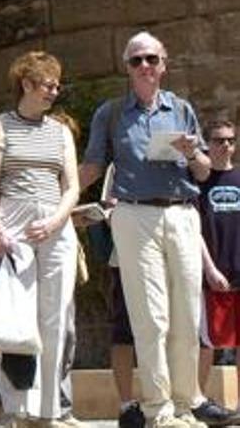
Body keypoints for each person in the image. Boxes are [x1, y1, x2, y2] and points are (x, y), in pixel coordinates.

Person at [79, 32, 237, 428]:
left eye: (152, 59)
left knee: (187, 311)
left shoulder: (180, 109)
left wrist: (192, 152)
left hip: (182, 214)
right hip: (134, 216)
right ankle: (158, 408)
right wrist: (57, 199)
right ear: (127, 68)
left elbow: (204, 171)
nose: (145, 66)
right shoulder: (111, 113)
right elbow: (93, 167)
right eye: (137, 61)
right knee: (151, 316)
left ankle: (186, 402)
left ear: (164, 64)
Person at [0, 51, 79, 422]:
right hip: (14, 222)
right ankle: (17, 409)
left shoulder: (61, 131)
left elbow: (72, 187)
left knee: (53, 320)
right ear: (27, 84)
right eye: (48, 85)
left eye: (56, 85)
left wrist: (54, 221)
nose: (54, 91)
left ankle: (48, 410)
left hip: (55, 223)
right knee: (16, 321)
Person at [195, 120, 240, 416]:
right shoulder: (198, 182)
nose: (225, 145)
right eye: (219, 140)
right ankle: (197, 404)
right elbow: (192, 229)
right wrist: (209, 269)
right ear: (207, 144)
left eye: (230, 140)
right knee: (205, 344)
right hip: (209, 275)